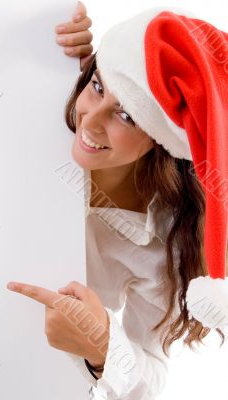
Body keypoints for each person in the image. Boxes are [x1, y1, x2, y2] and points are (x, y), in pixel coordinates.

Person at [53, 3, 228, 399]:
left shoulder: (167, 239)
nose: (91, 121)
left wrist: (102, 348)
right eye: (97, 86)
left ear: (162, 141)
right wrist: (45, 40)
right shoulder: (44, 107)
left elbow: (152, 375)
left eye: (127, 116)